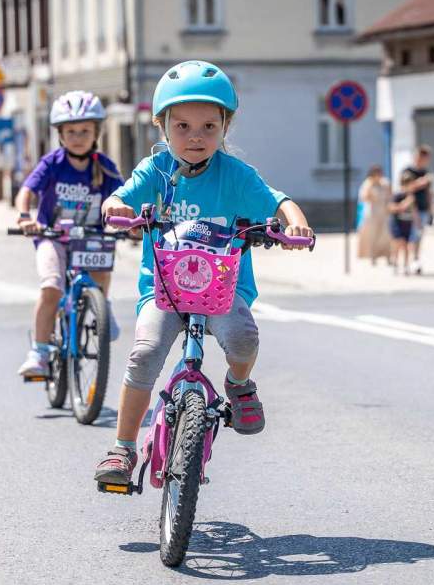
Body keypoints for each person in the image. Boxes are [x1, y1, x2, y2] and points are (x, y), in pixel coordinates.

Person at [93, 60, 314, 486]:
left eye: (209, 127)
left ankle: (239, 383)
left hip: (221, 289)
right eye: (182, 126)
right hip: (166, 291)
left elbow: (277, 200)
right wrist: (116, 207)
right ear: (163, 128)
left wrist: (294, 221)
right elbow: (121, 196)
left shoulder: (234, 174)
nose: (196, 137)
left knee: (243, 338)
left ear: (224, 128)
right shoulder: (156, 171)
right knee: (144, 354)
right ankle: (122, 448)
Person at [16, 91, 124, 378]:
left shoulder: (104, 166)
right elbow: (27, 191)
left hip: (90, 235)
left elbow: (124, 196)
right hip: (52, 237)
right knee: (51, 287)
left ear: (96, 132)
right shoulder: (53, 163)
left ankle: (102, 308)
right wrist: (25, 216)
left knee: (102, 261)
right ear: (61, 135)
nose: (78, 136)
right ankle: (38, 352)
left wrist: (131, 221)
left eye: (85, 131)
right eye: (71, 131)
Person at [402, 145, 434, 275]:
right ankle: (407, 262)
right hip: (410, 209)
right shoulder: (408, 171)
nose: (425, 161)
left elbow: (429, 192)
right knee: (409, 237)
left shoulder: (425, 172)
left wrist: (431, 207)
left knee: (418, 237)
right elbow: (404, 188)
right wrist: (419, 183)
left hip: (423, 208)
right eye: (423, 158)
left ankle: (416, 260)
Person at [357, 164, 392, 265]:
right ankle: (373, 257)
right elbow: (364, 197)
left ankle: (388, 256)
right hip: (372, 213)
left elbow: (390, 196)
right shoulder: (368, 183)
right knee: (373, 236)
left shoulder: (385, 183)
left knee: (386, 235)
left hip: (384, 212)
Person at [388, 171, 418, 276]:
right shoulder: (397, 195)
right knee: (398, 245)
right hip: (397, 223)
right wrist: (405, 204)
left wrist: (417, 222)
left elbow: (414, 210)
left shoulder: (411, 197)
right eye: (410, 184)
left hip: (408, 224)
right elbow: (391, 208)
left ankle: (405, 266)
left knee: (406, 246)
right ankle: (395, 263)